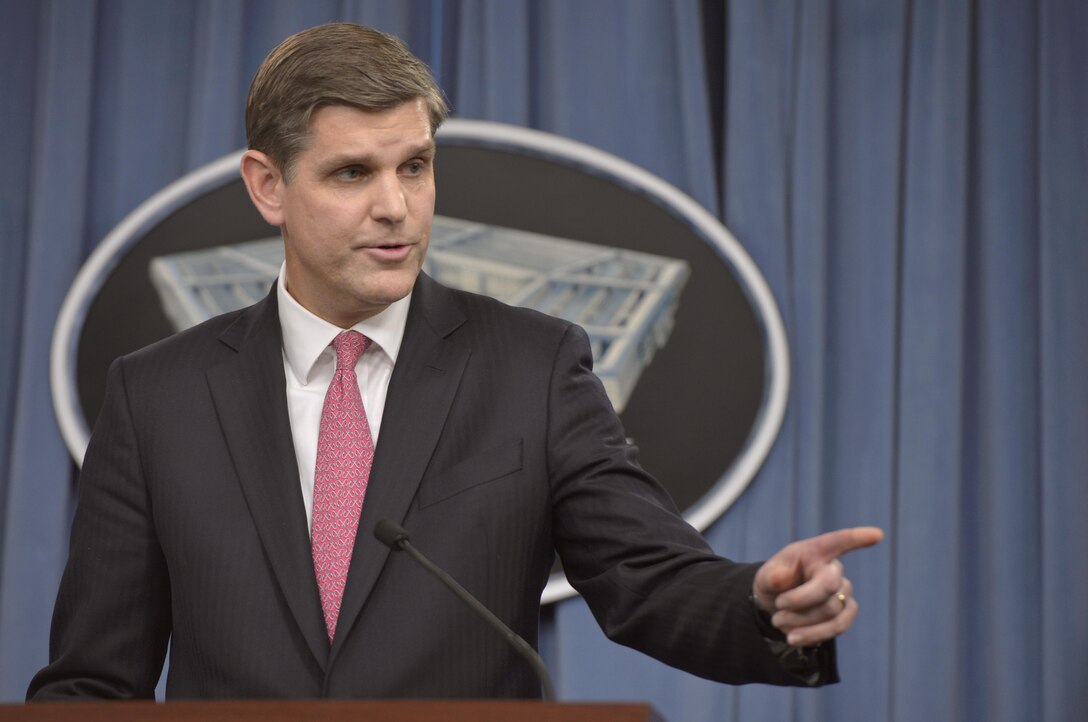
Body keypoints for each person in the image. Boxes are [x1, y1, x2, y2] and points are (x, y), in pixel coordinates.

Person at [28, 22, 882, 700]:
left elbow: (649, 577)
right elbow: (93, 681)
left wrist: (765, 606)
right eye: (352, 173)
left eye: (416, 166)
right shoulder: (157, 398)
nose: (395, 206)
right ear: (268, 186)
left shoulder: (531, 367)